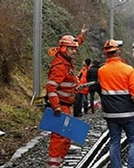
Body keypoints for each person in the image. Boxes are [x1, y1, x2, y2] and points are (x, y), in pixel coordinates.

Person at [45, 27, 87, 168]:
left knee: (67, 137)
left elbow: (72, 45)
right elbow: (51, 87)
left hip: (66, 106)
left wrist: (80, 36)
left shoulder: (65, 62)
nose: (75, 51)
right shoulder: (60, 66)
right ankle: (54, 164)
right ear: (64, 49)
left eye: (75, 49)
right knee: (59, 137)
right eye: (72, 49)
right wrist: (56, 106)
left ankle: (58, 162)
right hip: (61, 107)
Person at [98, 39, 134, 168]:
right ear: (119, 52)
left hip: (111, 114)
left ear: (106, 54)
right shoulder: (128, 70)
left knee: (114, 142)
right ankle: (133, 166)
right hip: (129, 113)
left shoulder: (102, 71)